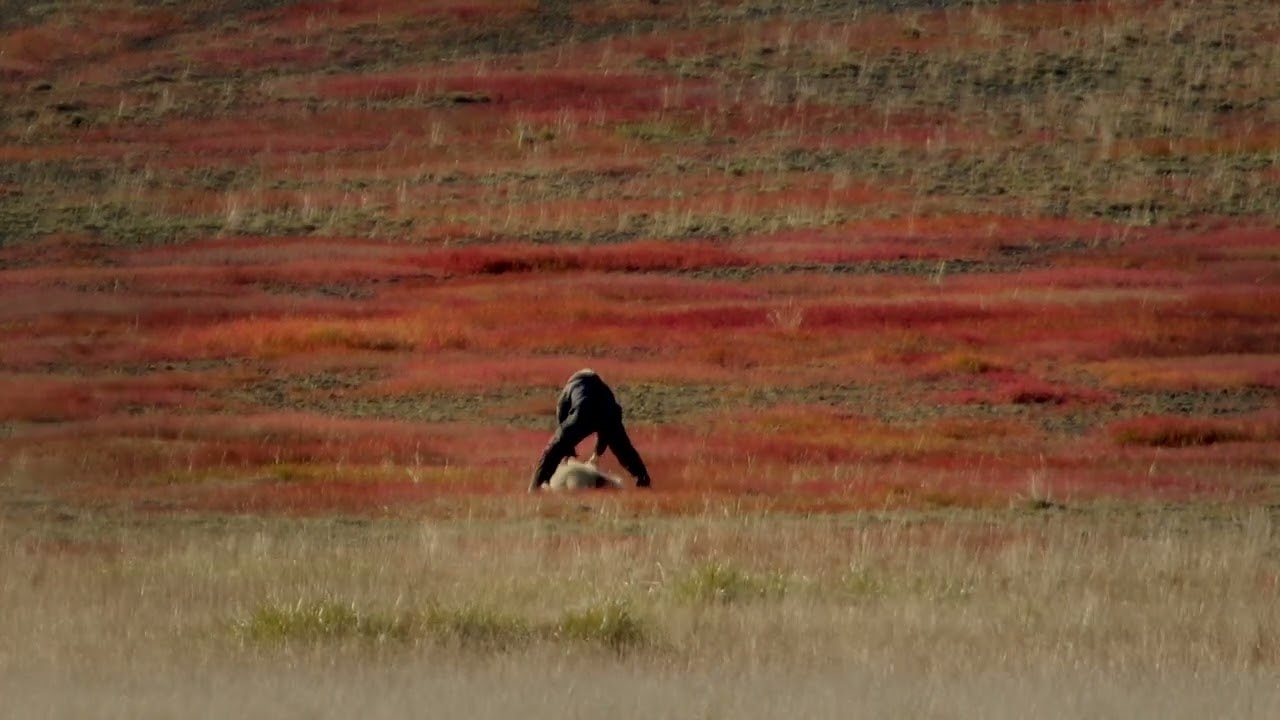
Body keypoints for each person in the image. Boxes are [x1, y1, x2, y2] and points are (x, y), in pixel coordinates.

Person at [529, 369, 652, 492]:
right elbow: (609, 424)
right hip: (609, 413)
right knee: (624, 449)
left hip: (583, 412)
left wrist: (566, 451)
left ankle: (535, 488)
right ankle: (643, 479)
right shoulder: (603, 389)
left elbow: (562, 424)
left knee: (553, 450)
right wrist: (597, 453)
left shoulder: (570, 387)